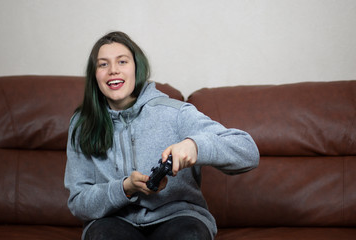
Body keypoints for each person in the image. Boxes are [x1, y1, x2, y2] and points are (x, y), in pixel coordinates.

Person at [64, 31, 259, 240]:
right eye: (103, 64)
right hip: (113, 221)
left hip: (179, 219)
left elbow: (248, 151)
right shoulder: (82, 124)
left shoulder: (175, 113)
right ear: (94, 75)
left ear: (136, 67)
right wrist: (124, 188)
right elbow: (79, 203)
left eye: (122, 61)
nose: (113, 70)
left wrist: (195, 146)